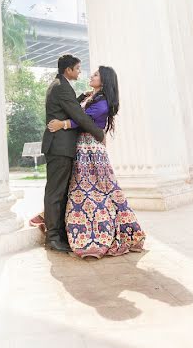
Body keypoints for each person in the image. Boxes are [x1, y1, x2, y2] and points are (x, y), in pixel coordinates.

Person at [46, 65, 145, 258]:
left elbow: (84, 120)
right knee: (78, 189)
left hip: (91, 150)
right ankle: (70, 231)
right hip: (79, 146)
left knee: (97, 190)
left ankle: (97, 234)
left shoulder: (103, 103)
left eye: (96, 74)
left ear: (105, 80)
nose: (91, 76)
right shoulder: (87, 97)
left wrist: (62, 124)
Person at [38, 55, 106, 253]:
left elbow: (66, 110)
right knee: (56, 192)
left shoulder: (59, 85)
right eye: (77, 69)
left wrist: (80, 98)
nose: (79, 72)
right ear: (68, 70)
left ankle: (57, 235)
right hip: (59, 147)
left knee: (58, 192)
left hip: (59, 146)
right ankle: (53, 238)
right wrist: (99, 133)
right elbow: (77, 115)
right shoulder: (62, 87)